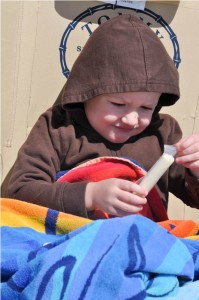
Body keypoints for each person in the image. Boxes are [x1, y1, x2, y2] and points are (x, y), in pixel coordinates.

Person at [7, 14, 199, 219]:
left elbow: (193, 197)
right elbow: (18, 192)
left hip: (142, 245)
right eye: (118, 104)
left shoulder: (163, 132)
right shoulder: (57, 128)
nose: (131, 120)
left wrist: (195, 171)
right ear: (86, 93)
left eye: (146, 108)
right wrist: (90, 196)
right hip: (71, 243)